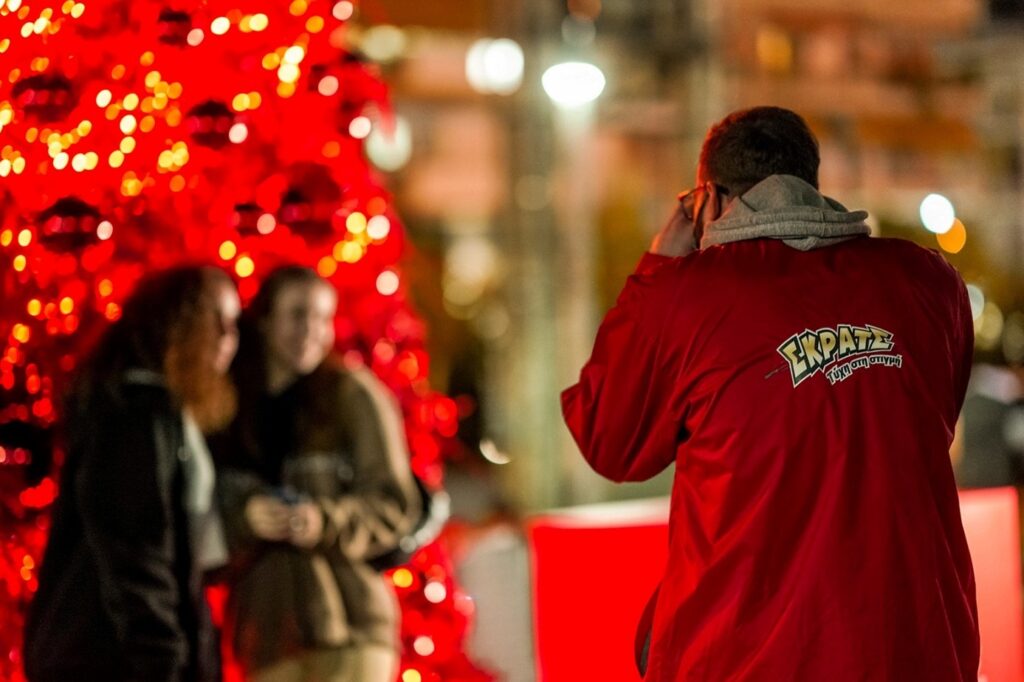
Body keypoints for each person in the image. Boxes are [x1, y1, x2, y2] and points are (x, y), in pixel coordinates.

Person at [562, 106, 979, 681]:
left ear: (706, 199)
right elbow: (935, 417)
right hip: (914, 647)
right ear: (810, 184)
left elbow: (609, 438)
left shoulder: (686, 298)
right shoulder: (928, 283)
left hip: (744, 656)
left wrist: (658, 264)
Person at [24, 265, 241, 682]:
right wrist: (163, 658)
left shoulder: (161, 415)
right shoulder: (134, 416)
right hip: (110, 660)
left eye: (233, 325)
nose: (228, 340)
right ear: (178, 325)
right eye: (216, 322)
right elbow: (135, 549)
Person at [213, 266, 421, 682]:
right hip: (267, 638)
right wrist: (246, 517)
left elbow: (395, 504)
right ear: (265, 320)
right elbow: (201, 512)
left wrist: (321, 520)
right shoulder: (228, 405)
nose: (311, 330)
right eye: (298, 314)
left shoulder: (352, 396)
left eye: (323, 318)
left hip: (352, 630)